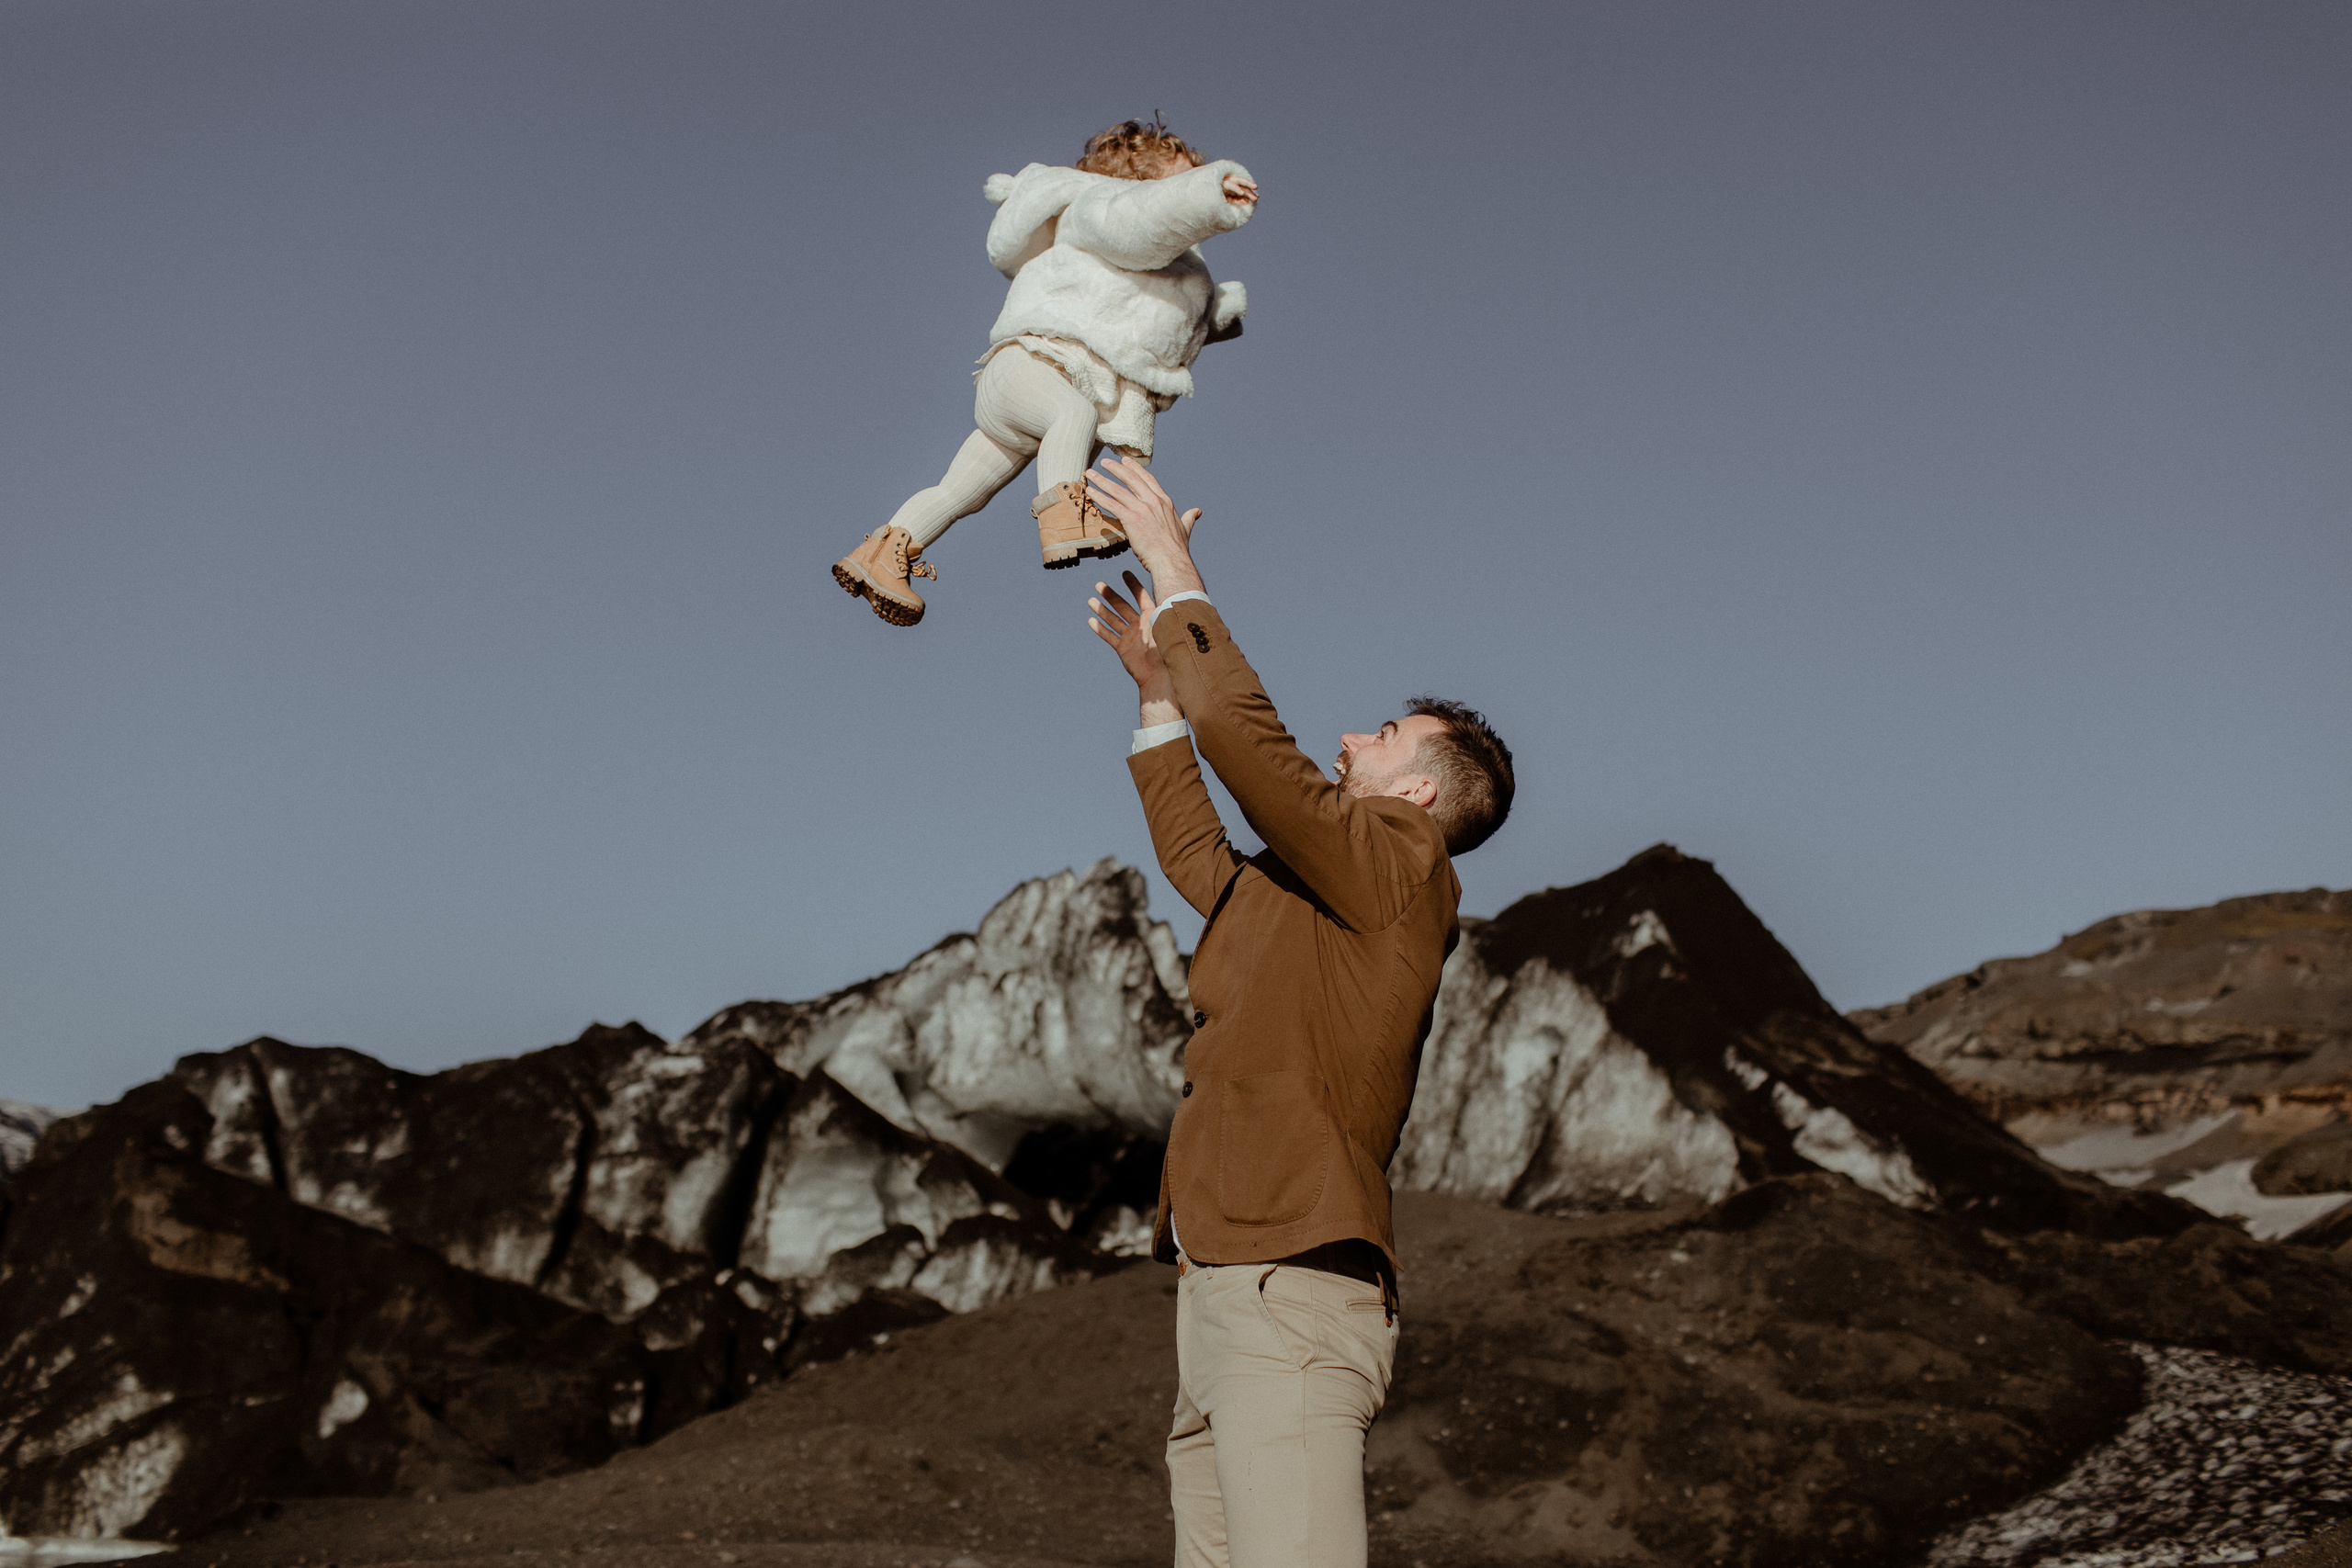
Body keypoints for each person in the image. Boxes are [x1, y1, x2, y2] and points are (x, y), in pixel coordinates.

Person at [1080, 456, 1515, 1568]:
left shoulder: (1402, 863)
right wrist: (1155, 698)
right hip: (1224, 1293)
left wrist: (1176, 570)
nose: (1353, 738)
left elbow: (1258, 758)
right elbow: (1202, 861)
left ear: (1421, 792)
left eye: (1382, 734)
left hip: (1292, 1290)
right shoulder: (1320, 890)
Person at [833, 118, 1259, 627]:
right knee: (1073, 411)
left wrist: (1220, 315)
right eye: (1184, 180)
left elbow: (1161, 327)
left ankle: (882, 554)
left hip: (1040, 396)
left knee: (959, 492)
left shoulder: (1166, 265)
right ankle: (1063, 512)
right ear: (1140, 183)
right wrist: (1209, 194)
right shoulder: (1102, 209)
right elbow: (1147, 221)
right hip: (1032, 368)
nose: (1191, 186)